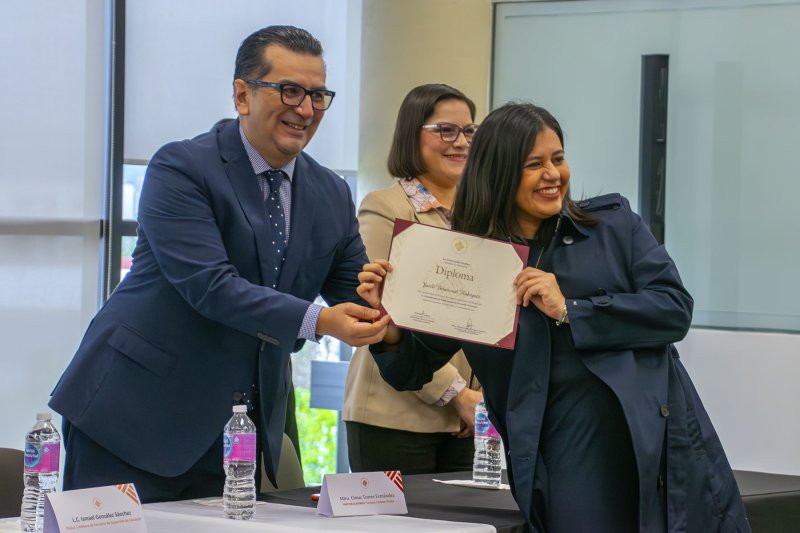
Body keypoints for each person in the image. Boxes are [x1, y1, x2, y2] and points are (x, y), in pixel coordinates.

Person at [358, 103, 751, 532]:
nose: (553, 174)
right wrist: (391, 330)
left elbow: (673, 310)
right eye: (534, 164)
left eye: (558, 159)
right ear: (499, 172)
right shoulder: (472, 262)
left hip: (655, 441)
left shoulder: (613, 227)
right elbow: (410, 369)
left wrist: (572, 310)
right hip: (561, 456)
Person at [48, 25, 389, 502]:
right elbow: (210, 286)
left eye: (317, 95)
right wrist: (320, 321)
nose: (306, 109)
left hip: (236, 436)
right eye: (289, 90)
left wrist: (393, 302)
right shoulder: (181, 167)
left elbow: (359, 291)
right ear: (242, 95)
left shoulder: (331, 191)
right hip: (133, 418)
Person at [342, 84, 483, 474]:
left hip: (470, 420)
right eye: (446, 130)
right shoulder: (384, 207)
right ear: (412, 135)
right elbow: (379, 315)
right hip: (393, 416)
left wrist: (482, 395)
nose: (461, 142)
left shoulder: (483, 215)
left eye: (470, 131)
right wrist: (457, 395)